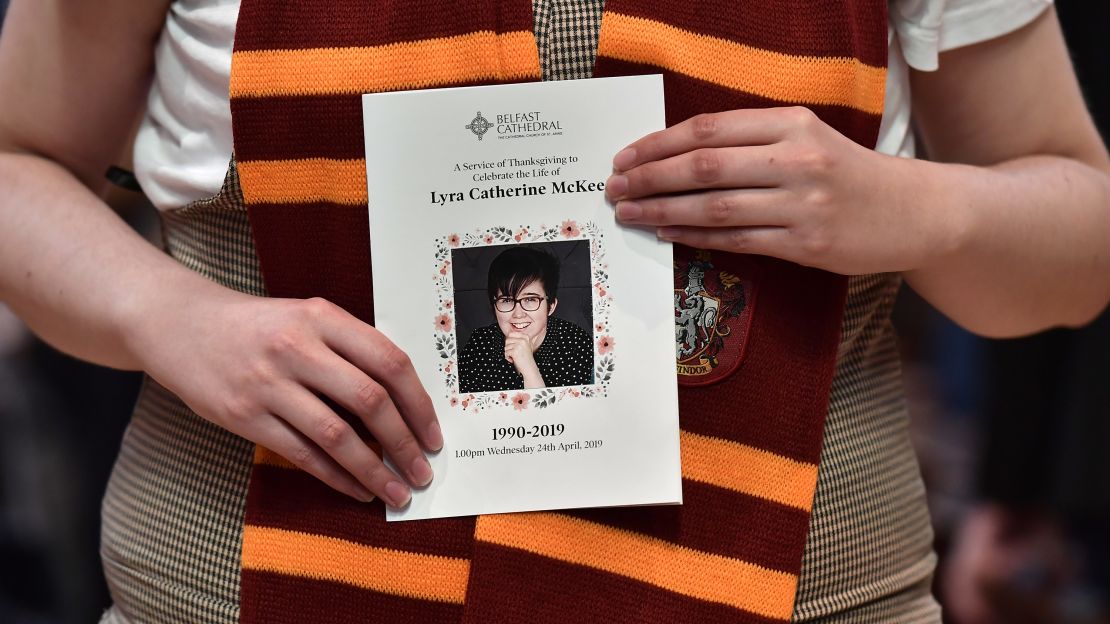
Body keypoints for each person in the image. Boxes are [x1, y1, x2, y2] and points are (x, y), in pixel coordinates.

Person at [0, 1, 1107, 622]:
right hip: (249, 589)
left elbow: (1080, 241)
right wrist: (164, 311)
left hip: (809, 597)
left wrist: (916, 210)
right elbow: (17, 159)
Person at [458, 246, 593, 393]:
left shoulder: (575, 343)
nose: (518, 314)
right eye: (506, 300)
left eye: (530, 299)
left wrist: (528, 367)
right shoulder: (479, 344)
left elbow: (569, 414)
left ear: (551, 306)